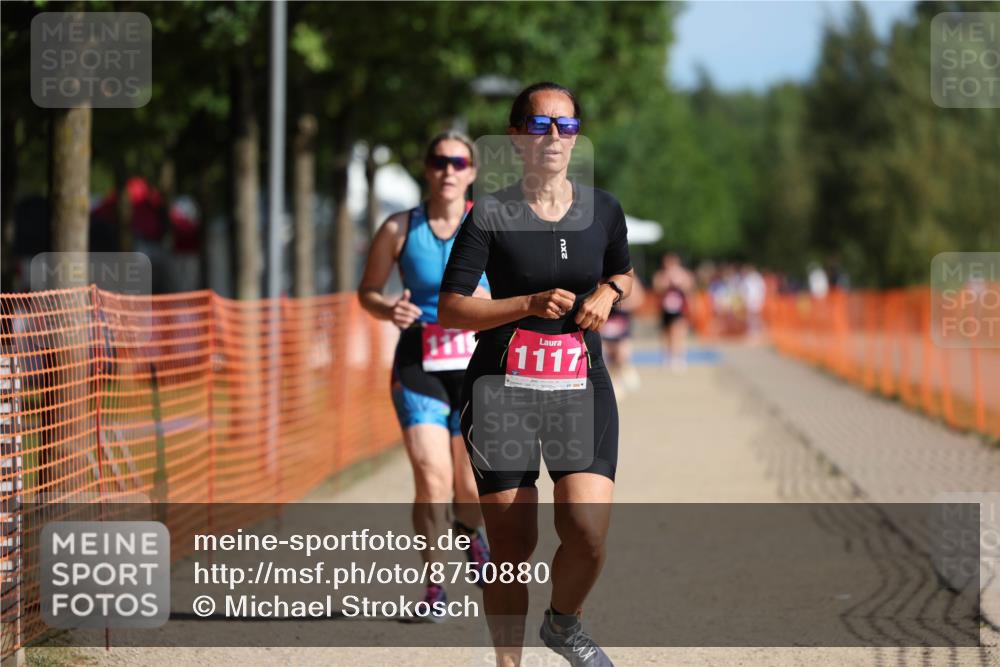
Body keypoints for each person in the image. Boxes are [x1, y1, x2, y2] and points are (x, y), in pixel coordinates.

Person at [439, 81, 633, 667]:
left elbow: (624, 274)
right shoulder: (490, 215)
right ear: (518, 135)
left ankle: (564, 622)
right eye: (541, 125)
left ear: (577, 138)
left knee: (588, 529)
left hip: (580, 387)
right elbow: (452, 308)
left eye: (567, 126)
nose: (554, 136)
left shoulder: (603, 209)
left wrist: (608, 291)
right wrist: (523, 305)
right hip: (502, 391)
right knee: (512, 546)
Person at [358, 131, 490, 620]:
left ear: (472, 172)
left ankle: (470, 532)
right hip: (420, 364)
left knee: (471, 489)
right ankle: (434, 585)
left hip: (478, 366)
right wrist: (387, 306)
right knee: (431, 477)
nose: (449, 170)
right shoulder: (399, 228)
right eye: (439, 161)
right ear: (427, 169)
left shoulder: (489, 224)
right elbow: (367, 291)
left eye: (459, 162)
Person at [600, 277, 644, 397]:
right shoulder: (600, 278)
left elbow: (639, 299)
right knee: (608, 352)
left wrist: (620, 304)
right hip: (606, 318)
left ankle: (624, 370)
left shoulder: (630, 279)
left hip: (621, 319)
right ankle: (614, 381)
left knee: (621, 353)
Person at [652, 253, 693, 372]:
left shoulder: (683, 274)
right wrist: (667, 283)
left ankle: (678, 357)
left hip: (679, 308)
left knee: (678, 331)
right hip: (665, 309)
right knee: (666, 333)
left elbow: (689, 287)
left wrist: (679, 283)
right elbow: (657, 288)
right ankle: (667, 356)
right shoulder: (661, 275)